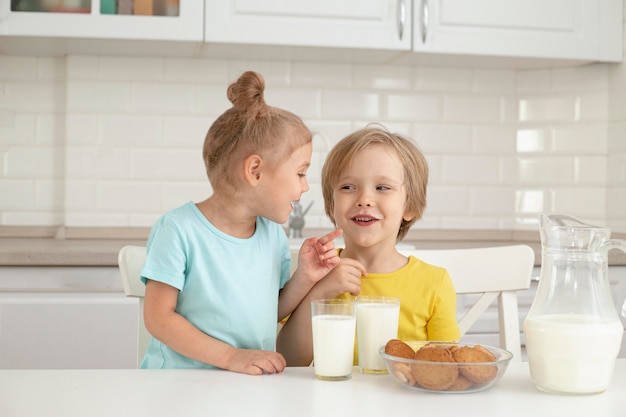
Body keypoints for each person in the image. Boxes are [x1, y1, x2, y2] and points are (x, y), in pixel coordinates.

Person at [140, 71, 342, 374]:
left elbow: (268, 310)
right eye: (300, 173)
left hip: (245, 383)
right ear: (255, 171)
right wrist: (230, 357)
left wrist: (305, 277)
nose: (305, 186)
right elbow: (158, 318)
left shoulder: (272, 235)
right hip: (178, 386)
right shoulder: (179, 230)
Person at [276, 125, 460, 366]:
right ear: (332, 205)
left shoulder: (434, 284)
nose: (364, 199)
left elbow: (445, 368)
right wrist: (321, 292)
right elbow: (288, 359)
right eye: (348, 187)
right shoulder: (314, 274)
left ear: (410, 207)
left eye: (382, 188)